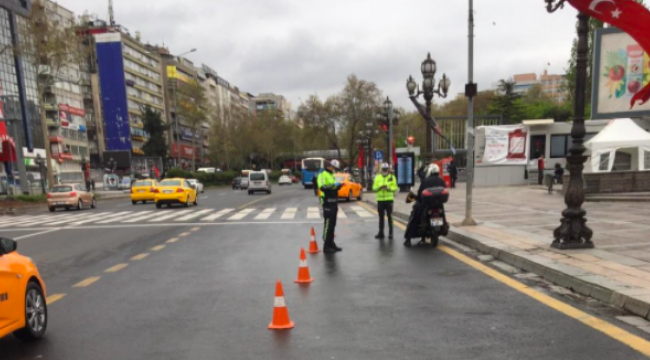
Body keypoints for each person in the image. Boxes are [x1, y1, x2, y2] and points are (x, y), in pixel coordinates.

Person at [404, 163, 447, 247]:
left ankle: (408, 238)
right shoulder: (441, 180)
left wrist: (417, 198)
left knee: (414, 215)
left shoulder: (426, 181)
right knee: (443, 213)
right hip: (438, 204)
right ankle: (444, 226)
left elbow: (420, 194)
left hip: (426, 204)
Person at [317, 160, 343, 253]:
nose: (334, 169)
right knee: (328, 224)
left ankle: (331, 243)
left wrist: (339, 186)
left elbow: (332, 188)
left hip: (334, 202)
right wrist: (334, 185)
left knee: (333, 224)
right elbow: (323, 187)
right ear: (328, 166)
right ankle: (326, 245)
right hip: (327, 202)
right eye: (333, 167)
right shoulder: (322, 174)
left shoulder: (331, 175)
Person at [373, 163, 398, 240]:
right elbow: (374, 188)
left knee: (390, 217)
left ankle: (390, 233)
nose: (384, 171)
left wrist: (389, 188)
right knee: (381, 217)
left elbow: (395, 188)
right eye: (383, 169)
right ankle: (381, 233)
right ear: (381, 170)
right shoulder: (377, 177)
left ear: (388, 170)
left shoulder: (392, 177)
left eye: (386, 169)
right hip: (380, 200)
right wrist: (379, 187)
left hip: (389, 200)